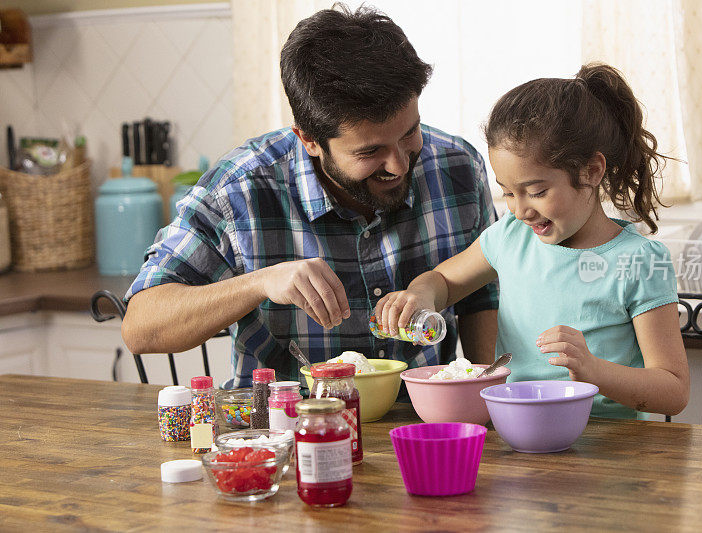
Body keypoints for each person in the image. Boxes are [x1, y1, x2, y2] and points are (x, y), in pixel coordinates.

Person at [121, 5, 499, 388]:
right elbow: (141, 326)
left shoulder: (458, 167)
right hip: (287, 428)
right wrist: (258, 284)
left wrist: (489, 401)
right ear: (310, 140)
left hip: (424, 426)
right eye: (370, 152)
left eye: (409, 134)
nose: (399, 165)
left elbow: (483, 297)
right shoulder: (239, 190)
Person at [375, 63, 689, 418]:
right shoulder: (510, 237)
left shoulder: (641, 261)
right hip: (518, 433)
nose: (520, 210)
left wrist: (593, 370)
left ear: (592, 171)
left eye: (536, 191)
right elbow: (444, 281)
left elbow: (673, 390)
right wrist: (421, 294)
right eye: (508, 193)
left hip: (609, 448)